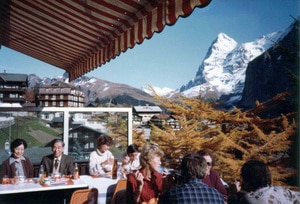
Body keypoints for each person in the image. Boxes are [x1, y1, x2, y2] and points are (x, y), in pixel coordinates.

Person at [159, 152, 224, 204]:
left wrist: (165, 189)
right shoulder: (217, 196)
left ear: (183, 172)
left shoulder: (173, 194)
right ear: (204, 173)